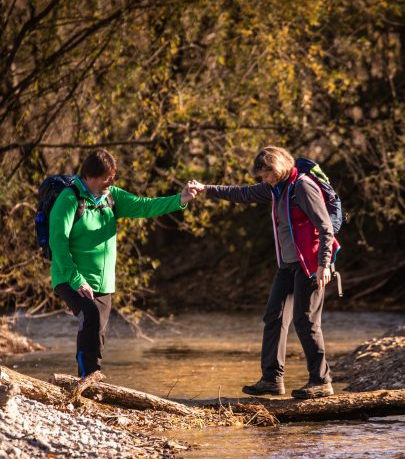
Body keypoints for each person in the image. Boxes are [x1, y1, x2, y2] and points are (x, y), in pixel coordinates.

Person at [188, 146, 340, 399]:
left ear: (277, 167)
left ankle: (321, 381)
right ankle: (271, 379)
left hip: (311, 265)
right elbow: (242, 193)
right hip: (288, 265)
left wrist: (324, 264)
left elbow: (325, 227)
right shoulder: (276, 188)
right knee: (275, 317)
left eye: (265, 174)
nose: (263, 179)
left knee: (306, 321)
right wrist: (206, 188)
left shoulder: (302, 187)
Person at [50, 148, 198, 377]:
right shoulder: (69, 199)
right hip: (70, 276)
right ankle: (88, 377)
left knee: (97, 330)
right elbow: (57, 243)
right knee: (89, 317)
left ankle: (92, 377)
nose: (111, 181)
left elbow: (144, 205)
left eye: (113, 176)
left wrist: (180, 199)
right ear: (90, 176)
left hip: (103, 281)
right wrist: (76, 279)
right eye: (106, 177)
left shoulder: (112, 197)